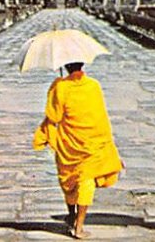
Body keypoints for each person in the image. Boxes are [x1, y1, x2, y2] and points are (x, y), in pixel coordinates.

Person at [33, 62, 122, 239]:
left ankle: (73, 215)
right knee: (85, 181)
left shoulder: (60, 87)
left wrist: (56, 89)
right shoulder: (94, 86)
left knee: (70, 181)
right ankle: (78, 226)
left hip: (69, 145)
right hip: (92, 143)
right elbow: (101, 117)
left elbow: (54, 116)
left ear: (65, 66)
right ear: (83, 64)